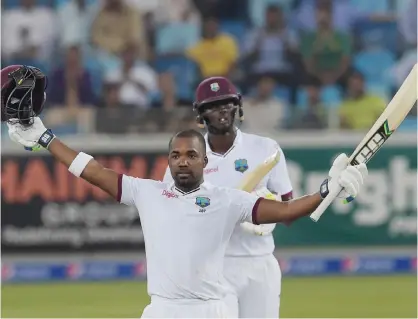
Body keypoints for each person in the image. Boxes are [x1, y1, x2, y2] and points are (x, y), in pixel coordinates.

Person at [2, 66, 368, 318]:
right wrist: (45, 138)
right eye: (175, 155)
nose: (182, 161)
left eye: (191, 155)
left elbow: (289, 211)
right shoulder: (149, 193)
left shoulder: (228, 200)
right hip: (161, 307)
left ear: (204, 161)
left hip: (212, 307)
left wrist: (328, 189)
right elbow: (93, 171)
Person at [160, 77, 357, 318]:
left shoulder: (266, 149)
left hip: (260, 264)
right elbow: (168, 217)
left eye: (227, 103)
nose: (221, 111)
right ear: (200, 115)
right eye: (212, 106)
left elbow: (288, 213)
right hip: (211, 268)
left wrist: (266, 212)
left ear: (238, 106)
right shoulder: (186, 156)